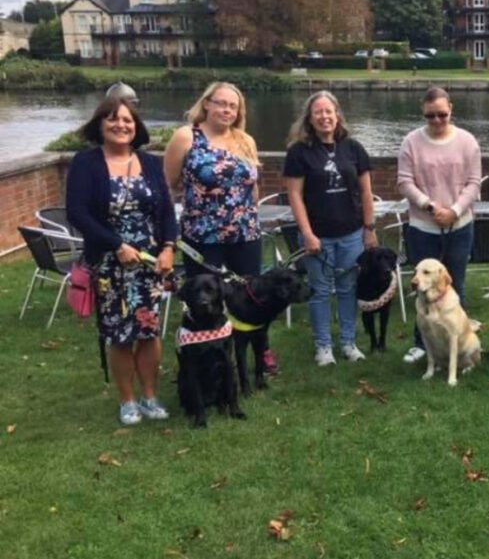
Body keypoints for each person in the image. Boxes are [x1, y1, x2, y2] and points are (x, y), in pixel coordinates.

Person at [66, 96, 177, 425]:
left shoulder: (151, 163)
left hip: (147, 264)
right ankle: (127, 400)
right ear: (100, 125)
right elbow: (78, 213)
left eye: (127, 120)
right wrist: (116, 245)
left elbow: (167, 211)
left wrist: (169, 247)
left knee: (148, 331)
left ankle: (150, 395)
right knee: (120, 335)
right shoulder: (86, 163)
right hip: (110, 265)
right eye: (113, 119)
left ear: (136, 126)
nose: (121, 125)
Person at [163, 82, 280, 373]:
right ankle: (202, 357)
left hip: (245, 233)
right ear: (207, 103)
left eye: (233, 105)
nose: (227, 110)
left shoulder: (245, 140)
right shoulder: (186, 137)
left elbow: (253, 185)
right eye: (221, 103)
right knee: (203, 299)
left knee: (252, 297)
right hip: (202, 236)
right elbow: (169, 185)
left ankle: (261, 352)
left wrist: (249, 211)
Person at [283, 91, 377, 366]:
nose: (324, 117)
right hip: (317, 236)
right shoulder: (299, 152)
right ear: (309, 119)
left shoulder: (353, 148)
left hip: (351, 233)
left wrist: (369, 228)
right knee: (320, 290)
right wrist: (308, 233)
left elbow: (367, 193)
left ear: (337, 115)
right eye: (318, 113)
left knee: (348, 288)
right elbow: (295, 196)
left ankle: (348, 342)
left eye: (329, 111)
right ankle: (323, 346)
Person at [397, 87, 482, 364]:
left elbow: (474, 182)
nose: (436, 121)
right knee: (421, 287)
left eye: (442, 115)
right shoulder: (411, 142)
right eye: (430, 116)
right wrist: (429, 206)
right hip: (423, 226)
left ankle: (458, 338)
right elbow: (404, 181)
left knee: (454, 282)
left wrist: (455, 211)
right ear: (423, 113)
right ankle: (422, 342)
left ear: (451, 110)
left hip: (460, 225)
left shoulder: (468, 141)